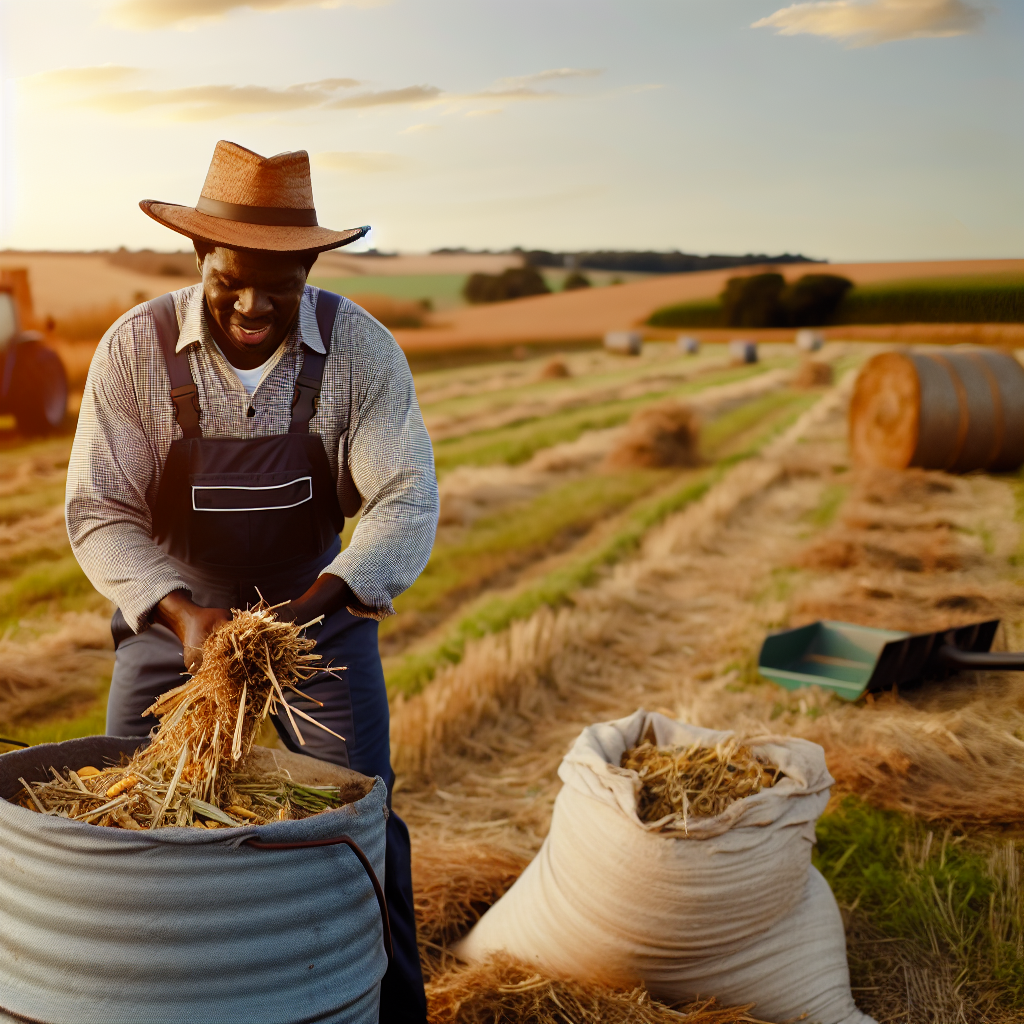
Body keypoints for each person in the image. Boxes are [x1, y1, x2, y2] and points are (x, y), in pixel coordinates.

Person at [65, 140, 439, 1020]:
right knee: (136, 815)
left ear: (309, 264)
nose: (250, 300)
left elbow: (404, 497)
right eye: (231, 274)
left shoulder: (360, 350)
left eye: (280, 279)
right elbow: (99, 510)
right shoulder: (136, 351)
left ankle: (387, 1006)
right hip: (175, 617)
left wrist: (318, 606)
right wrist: (181, 611)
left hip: (320, 606)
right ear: (201, 256)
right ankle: (139, 999)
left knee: (358, 821)